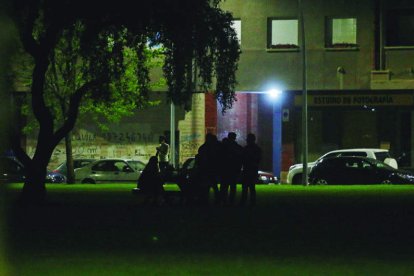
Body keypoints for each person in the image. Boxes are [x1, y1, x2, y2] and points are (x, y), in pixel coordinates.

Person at [197, 133, 221, 205]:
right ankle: (216, 200)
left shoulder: (203, 148)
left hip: (205, 170)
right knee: (213, 186)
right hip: (210, 170)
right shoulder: (213, 148)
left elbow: (200, 159)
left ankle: (205, 200)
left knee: (206, 186)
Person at [220, 132, 243, 206]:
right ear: (234, 138)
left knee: (224, 186)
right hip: (234, 169)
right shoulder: (237, 147)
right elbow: (240, 158)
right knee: (233, 186)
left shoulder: (223, 147)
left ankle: (224, 201)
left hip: (225, 169)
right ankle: (231, 201)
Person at [240, 133, 261, 206]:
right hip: (253, 170)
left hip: (247, 170)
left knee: (245, 187)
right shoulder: (257, 149)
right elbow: (258, 159)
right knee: (252, 187)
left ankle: (243, 202)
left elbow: (242, 159)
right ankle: (252, 202)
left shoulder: (245, 148)